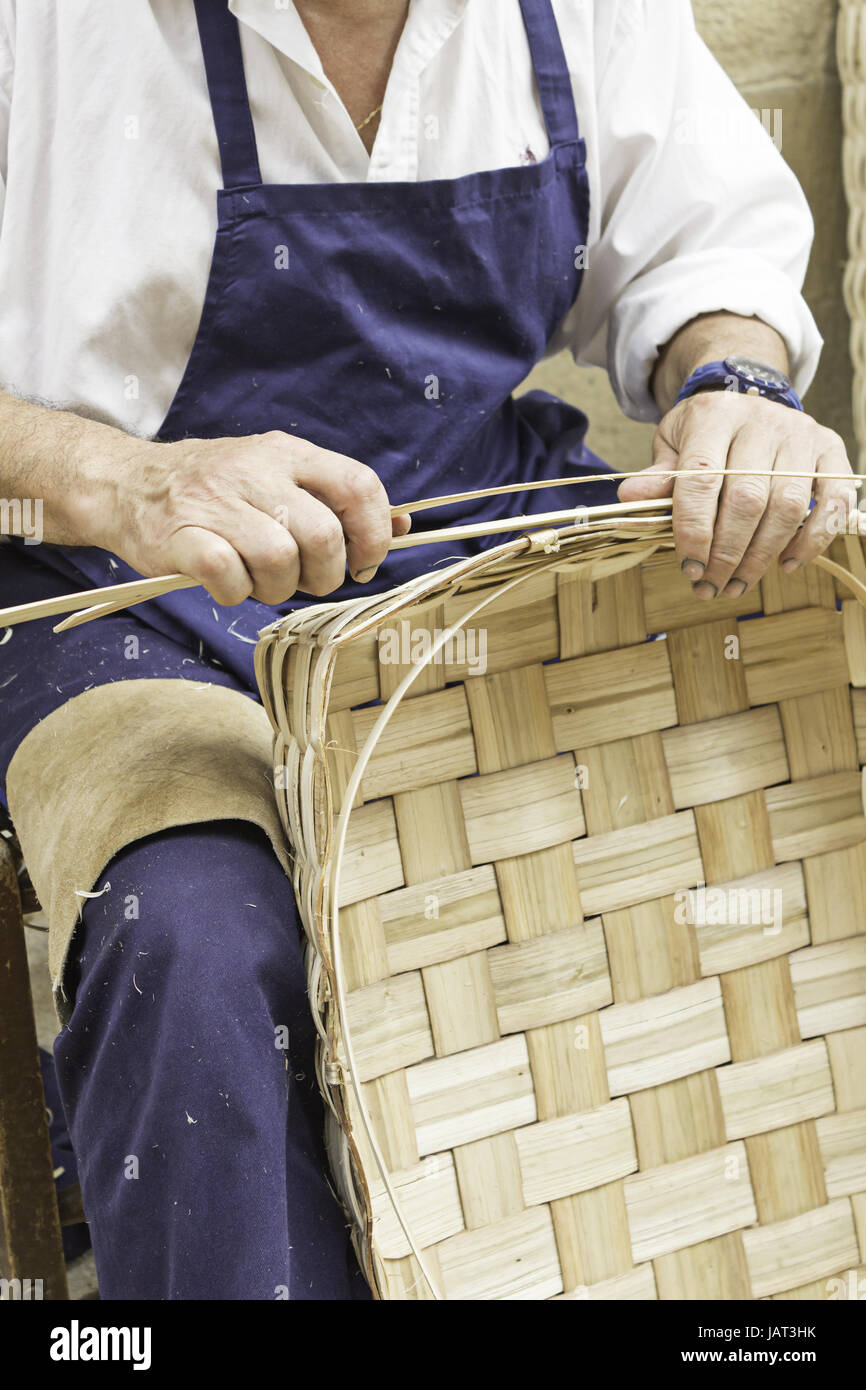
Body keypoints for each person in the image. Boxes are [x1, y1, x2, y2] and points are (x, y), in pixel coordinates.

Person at [0, 0, 855, 1300]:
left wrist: (732, 388)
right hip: (123, 591)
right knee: (198, 949)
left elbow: (703, 252)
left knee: (702, 861)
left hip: (469, 559)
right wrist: (118, 477)